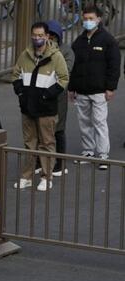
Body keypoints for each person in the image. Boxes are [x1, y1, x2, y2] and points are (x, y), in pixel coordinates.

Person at [11, 22, 69, 192]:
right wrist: (21, 92)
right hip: (27, 108)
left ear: (46, 36)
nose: (37, 38)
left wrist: (46, 95)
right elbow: (16, 74)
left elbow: (64, 78)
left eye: (40, 35)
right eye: (34, 35)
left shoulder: (56, 56)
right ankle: (27, 177)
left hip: (46, 109)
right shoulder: (25, 55)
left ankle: (46, 177)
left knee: (47, 143)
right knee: (29, 143)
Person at [68, 6, 121, 170]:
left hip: (99, 90)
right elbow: (74, 66)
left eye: (91, 18)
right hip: (82, 90)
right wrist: (72, 87)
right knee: (84, 122)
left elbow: (114, 65)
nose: (88, 22)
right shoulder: (79, 41)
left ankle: (103, 155)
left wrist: (110, 87)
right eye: (85, 19)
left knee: (99, 122)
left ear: (99, 19)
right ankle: (88, 151)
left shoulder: (108, 41)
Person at [44, 20, 75, 177]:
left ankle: (59, 163)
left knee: (58, 129)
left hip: (58, 95)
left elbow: (65, 71)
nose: (50, 38)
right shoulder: (39, 49)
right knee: (41, 130)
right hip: (41, 96)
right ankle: (40, 162)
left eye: (53, 36)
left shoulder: (66, 51)